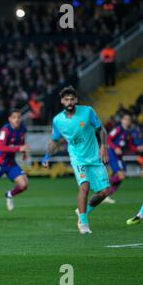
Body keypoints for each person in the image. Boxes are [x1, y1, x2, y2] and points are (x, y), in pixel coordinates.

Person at [41, 86, 110, 234]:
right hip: (77, 158)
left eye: (72, 99)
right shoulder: (58, 120)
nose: (70, 102)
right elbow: (54, 140)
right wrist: (47, 156)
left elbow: (101, 129)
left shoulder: (88, 111)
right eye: (66, 99)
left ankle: (83, 211)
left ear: (76, 100)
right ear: (62, 101)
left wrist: (103, 146)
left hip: (94, 156)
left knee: (104, 192)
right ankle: (83, 222)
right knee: (84, 187)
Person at [104, 112, 143, 204]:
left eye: (129, 120)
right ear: (121, 120)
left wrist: (138, 148)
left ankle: (106, 195)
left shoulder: (128, 133)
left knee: (121, 177)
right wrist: (115, 148)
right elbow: (108, 139)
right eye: (125, 119)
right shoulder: (118, 129)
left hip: (119, 156)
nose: (127, 121)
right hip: (112, 154)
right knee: (120, 175)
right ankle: (102, 187)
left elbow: (130, 145)